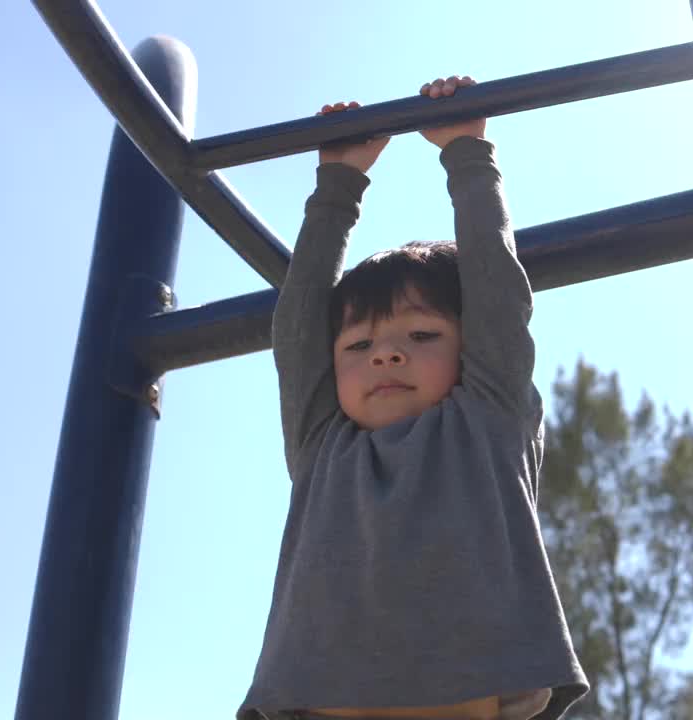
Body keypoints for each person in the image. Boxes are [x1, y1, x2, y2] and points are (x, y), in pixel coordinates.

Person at [239, 75, 588, 720]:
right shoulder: (324, 441)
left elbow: (496, 294)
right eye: (357, 346)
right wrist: (338, 183)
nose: (385, 354)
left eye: (421, 335)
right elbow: (297, 327)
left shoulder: (485, 417)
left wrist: (466, 153)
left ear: (467, 350)